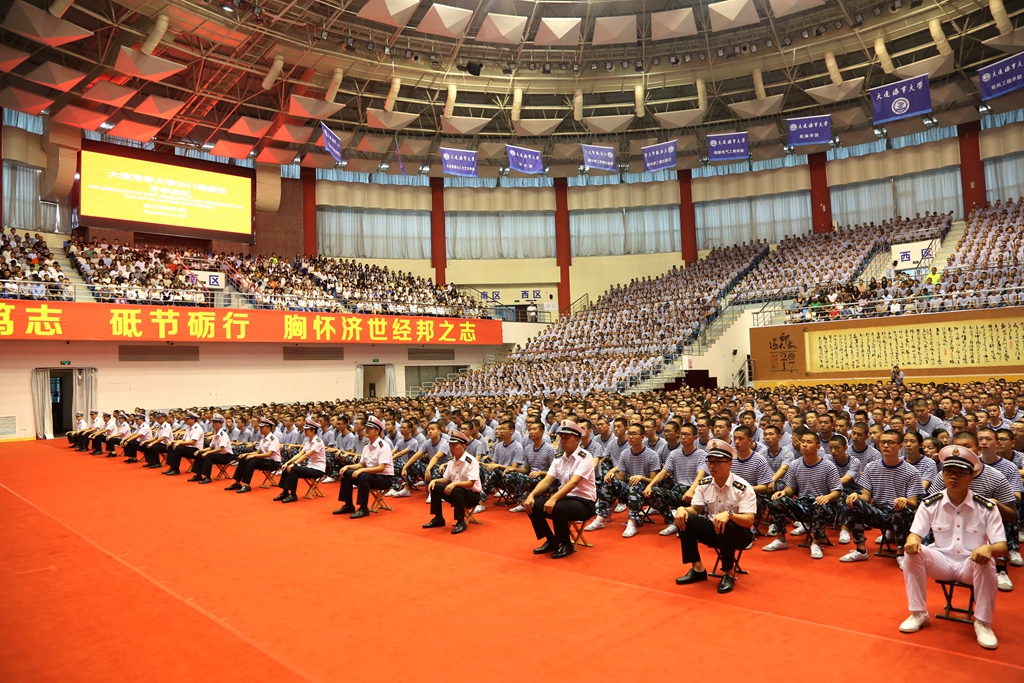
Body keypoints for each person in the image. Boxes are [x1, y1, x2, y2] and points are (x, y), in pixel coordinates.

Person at [900, 446, 1005, 650]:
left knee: (987, 559)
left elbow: (1001, 545)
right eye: (949, 472)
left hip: (970, 565)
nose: (953, 477)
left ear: (971, 477)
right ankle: (918, 612)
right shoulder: (931, 503)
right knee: (912, 552)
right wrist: (912, 541)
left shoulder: (986, 507)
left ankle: (983, 622)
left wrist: (989, 549)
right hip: (942, 561)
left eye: (960, 473)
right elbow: (915, 534)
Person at [674, 440, 757, 594]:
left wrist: (730, 515)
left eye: (718, 462)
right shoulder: (704, 484)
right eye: (710, 462)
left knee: (727, 523)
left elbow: (749, 521)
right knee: (685, 518)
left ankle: (728, 573)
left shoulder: (743, 487)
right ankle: (697, 569)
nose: (712, 466)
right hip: (715, 530)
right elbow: (695, 509)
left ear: (730, 464)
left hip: (739, 534)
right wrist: (681, 509)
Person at [840, 430, 925, 568]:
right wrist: (856, 496)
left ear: (900, 446)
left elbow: (913, 504)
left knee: (901, 509)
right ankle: (861, 550)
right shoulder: (871, 467)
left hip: (900, 513)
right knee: (852, 503)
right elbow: (866, 498)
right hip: (878, 512)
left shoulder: (911, 471)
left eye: (890, 442)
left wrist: (904, 500)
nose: (885, 445)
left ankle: (901, 554)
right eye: (883, 442)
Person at [762, 432, 842, 559]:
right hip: (802, 504)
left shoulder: (828, 466)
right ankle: (781, 539)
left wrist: (827, 497)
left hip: (822, 505)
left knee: (820, 507)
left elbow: (837, 491)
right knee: (777, 501)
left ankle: (816, 542)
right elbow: (790, 488)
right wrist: (783, 492)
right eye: (803, 441)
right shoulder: (795, 464)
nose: (804, 444)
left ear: (817, 447)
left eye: (809, 442)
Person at [525, 420, 598, 559]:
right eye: (561, 438)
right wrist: (531, 495)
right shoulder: (559, 458)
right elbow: (547, 480)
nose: (562, 441)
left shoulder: (585, 457)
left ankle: (566, 544)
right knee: (532, 504)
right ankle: (551, 540)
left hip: (584, 502)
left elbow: (574, 483)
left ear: (577, 439)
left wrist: (553, 498)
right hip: (564, 499)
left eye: (566, 438)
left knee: (558, 507)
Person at [333, 416, 394, 519]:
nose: (366, 430)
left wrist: (362, 470)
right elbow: (361, 464)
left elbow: (381, 468)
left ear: (377, 431)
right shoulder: (367, 445)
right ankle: (348, 505)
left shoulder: (383, 446)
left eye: (370, 428)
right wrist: (348, 466)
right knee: (345, 473)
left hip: (384, 478)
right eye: (366, 427)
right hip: (370, 475)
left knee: (363, 475)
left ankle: (363, 508)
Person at [422, 430, 480, 534]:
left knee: (457, 489)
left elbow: (471, 483)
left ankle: (461, 522)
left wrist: (454, 484)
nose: (451, 448)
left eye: (454, 445)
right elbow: (446, 479)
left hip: (472, 495)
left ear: (463, 446)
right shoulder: (451, 462)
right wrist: (435, 480)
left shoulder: (471, 461)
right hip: (455, 493)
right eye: (450, 445)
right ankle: (438, 518)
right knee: (435, 486)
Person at [276, 418, 327, 503]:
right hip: (310, 466)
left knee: (294, 469)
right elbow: (300, 454)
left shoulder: (318, 441)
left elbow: (306, 455)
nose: (305, 431)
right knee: (287, 467)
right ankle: (285, 492)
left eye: (307, 430)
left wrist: (294, 464)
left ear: (313, 430)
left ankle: (293, 495)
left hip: (318, 469)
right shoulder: (308, 442)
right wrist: (288, 462)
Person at [225, 417, 282, 493]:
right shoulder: (263, 439)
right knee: (243, 458)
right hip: (265, 460)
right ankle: (237, 482)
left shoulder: (273, 439)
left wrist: (253, 456)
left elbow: (269, 454)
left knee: (251, 460)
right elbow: (258, 452)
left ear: (268, 428)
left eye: (262, 427)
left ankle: (246, 485)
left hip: (273, 462)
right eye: (260, 427)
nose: (260, 429)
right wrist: (246, 454)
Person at [191, 414, 234, 484]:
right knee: (200, 453)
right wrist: (200, 450)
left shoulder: (223, 434)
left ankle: (207, 477)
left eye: (216, 422)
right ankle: (198, 475)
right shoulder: (215, 434)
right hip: (218, 454)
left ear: (221, 424)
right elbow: (211, 447)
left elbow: (220, 449)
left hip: (226, 456)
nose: (214, 424)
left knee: (208, 456)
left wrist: (207, 453)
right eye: (213, 422)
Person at [163, 411, 205, 476]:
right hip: (188, 448)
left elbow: (192, 442)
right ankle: (172, 467)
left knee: (178, 448)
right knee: (171, 445)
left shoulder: (197, 428)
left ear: (193, 419)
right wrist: (173, 441)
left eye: (187, 419)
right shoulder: (189, 428)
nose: (185, 421)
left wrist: (179, 444)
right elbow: (184, 439)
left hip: (195, 449)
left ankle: (176, 469)